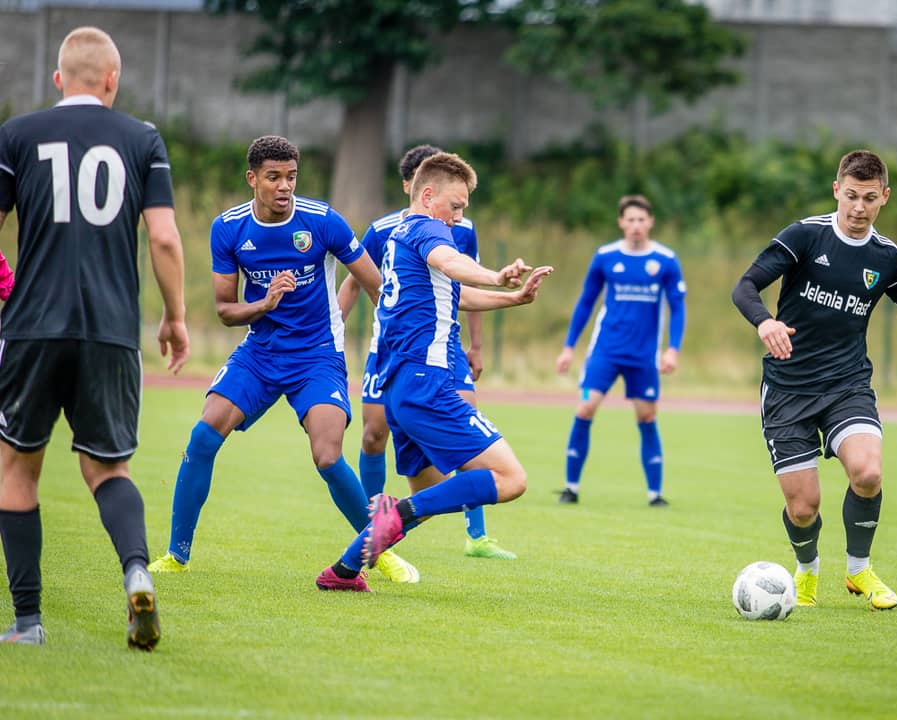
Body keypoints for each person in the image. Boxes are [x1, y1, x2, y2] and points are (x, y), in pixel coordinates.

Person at [0, 26, 189, 649]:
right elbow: (164, 238)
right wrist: (175, 317)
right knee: (109, 468)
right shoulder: (142, 139)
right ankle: (137, 572)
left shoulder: (17, 135)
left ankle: (28, 622)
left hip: (31, 327)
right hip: (110, 331)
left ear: (58, 79)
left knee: (16, 469)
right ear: (113, 79)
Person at [731, 149, 897, 610]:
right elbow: (744, 287)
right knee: (803, 508)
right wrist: (765, 322)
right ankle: (806, 571)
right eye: (850, 196)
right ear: (836, 191)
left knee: (868, 473)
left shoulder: (888, 258)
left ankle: (859, 570)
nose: (858, 208)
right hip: (787, 389)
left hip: (847, 386)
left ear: (885, 197)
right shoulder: (805, 236)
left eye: (868, 198)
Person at [147, 135, 383, 576]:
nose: (285, 186)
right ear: (252, 179)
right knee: (203, 437)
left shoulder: (323, 221)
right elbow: (224, 310)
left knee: (328, 455)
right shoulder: (229, 228)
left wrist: (389, 346)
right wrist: (265, 303)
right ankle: (177, 556)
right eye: (274, 177)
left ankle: (378, 550)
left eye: (291, 176)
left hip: (317, 355)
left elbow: (375, 286)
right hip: (260, 353)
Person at [316, 152, 552, 592]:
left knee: (429, 496)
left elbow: (454, 292)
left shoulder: (400, 236)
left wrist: (512, 298)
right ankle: (395, 514)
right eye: (455, 206)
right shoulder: (429, 228)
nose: (459, 217)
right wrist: (497, 276)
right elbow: (451, 263)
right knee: (511, 479)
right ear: (427, 196)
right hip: (428, 384)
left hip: (403, 389)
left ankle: (343, 571)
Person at [555, 195, 687, 507]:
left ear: (650, 222)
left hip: (644, 355)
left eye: (641, 220)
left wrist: (672, 350)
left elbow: (678, 308)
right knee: (585, 407)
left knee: (647, 416)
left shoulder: (666, 260)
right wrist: (568, 347)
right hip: (605, 351)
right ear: (621, 222)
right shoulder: (605, 257)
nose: (636, 225)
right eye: (630, 220)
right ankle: (570, 488)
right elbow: (586, 303)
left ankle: (655, 495)